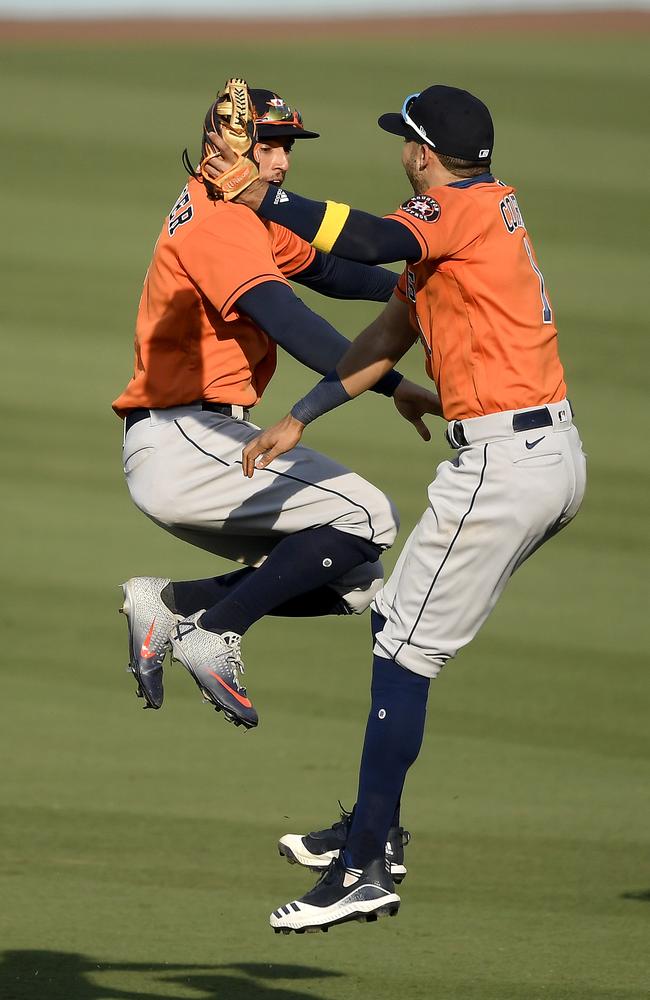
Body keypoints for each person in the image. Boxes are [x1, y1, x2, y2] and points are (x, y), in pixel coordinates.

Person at [205, 84, 587, 932]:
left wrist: (260, 194)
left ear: (423, 151)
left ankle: (364, 864)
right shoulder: (474, 223)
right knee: (405, 635)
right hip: (540, 454)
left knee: (402, 646)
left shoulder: (452, 210)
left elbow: (372, 238)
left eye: (404, 141)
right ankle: (370, 831)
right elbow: (385, 337)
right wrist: (303, 415)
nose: (400, 153)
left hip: (504, 463)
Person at [113, 84, 438, 740]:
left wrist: (431, 286)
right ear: (223, 144)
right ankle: (214, 632)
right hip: (182, 437)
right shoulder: (220, 222)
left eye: (287, 147)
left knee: (355, 576)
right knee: (368, 515)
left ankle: (170, 604)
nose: (282, 162)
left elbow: (333, 272)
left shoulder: (245, 213)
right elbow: (296, 326)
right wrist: (393, 379)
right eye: (268, 145)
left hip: (202, 435)